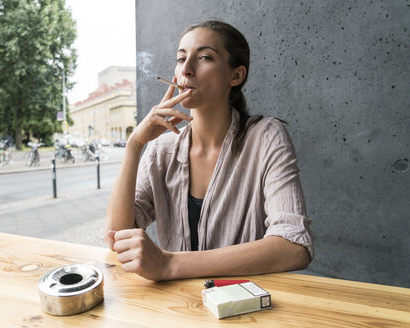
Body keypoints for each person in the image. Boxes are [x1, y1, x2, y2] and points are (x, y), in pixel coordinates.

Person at [104, 20, 313, 281]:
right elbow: (116, 236)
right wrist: (134, 145)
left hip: (241, 308)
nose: (187, 70)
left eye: (204, 57)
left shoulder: (265, 137)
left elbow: (294, 247)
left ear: (236, 76)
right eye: (181, 59)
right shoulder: (161, 149)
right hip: (175, 306)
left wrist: (170, 264)